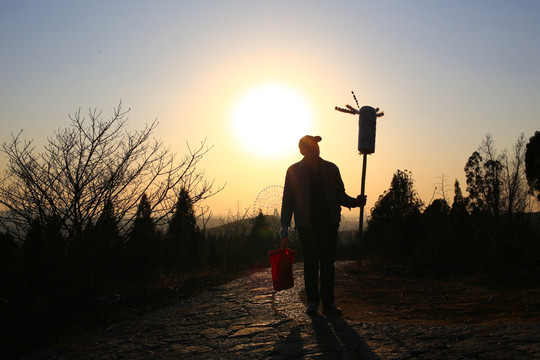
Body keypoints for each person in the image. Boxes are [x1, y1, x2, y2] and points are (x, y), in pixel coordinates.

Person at [280, 135, 366, 316]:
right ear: (303, 150)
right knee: (311, 262)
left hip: (329, 222)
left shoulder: (331, 168)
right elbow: (288, 198)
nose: (315, 149)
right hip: (306, 224)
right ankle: (313, 301)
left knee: (327, 263)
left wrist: (355, 202)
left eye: (316, 146)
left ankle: (328, 302)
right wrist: (285, 224)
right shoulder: (294, 171)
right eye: (312, 146)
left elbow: (340, 194)